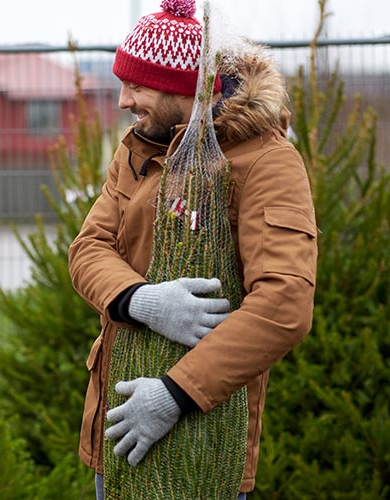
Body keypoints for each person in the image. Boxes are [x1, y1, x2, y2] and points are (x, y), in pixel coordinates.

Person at [67, 0, 318, 497]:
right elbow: (89, 247)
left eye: (136, 85)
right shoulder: (139, 148)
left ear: (181, 85)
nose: (122, 101)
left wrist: (173, 395)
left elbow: (284, 304)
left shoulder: (266, 162)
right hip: (117, 436)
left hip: (203, 443)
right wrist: (143, 301)